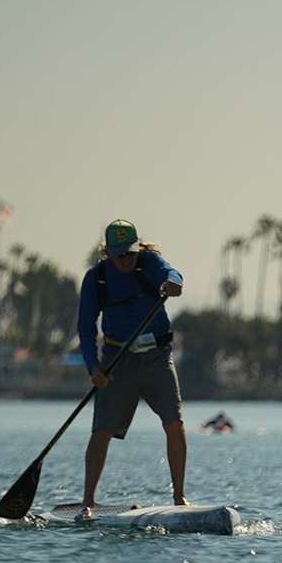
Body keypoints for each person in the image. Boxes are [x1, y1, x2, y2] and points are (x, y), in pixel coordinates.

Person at [75, 220, 186, 520]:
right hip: (117, 362)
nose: (127, 259)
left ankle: (179, 497)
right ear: (108, 252)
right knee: (102, 431)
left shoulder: (149, 263)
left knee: (174, 422)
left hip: (157, 358)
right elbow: (85, 328)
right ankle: (88, 503)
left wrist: (172, 283)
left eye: (131, 253)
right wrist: (93, 368)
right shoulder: (96, 278)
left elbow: (172, 273)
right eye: (120, 254)